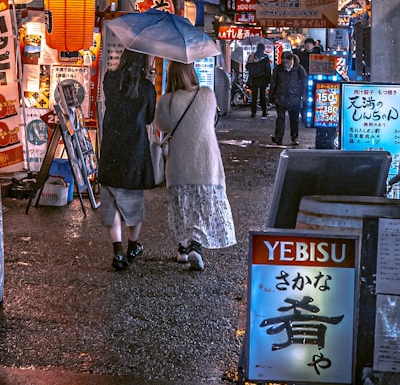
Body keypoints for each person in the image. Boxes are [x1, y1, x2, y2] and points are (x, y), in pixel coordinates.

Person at [154, 61, 236, 271]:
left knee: (183, 204)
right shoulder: (207, 95)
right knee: (201, 206)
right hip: (205, 161)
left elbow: (160, 125)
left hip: (180, 162)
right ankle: (195, 247)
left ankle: (182, 248)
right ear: (192, 72)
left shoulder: (167, 99)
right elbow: (211, 119)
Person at [97, 50, 158, 271]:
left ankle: (117, 251)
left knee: (111, 200)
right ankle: (133, 246)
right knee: (133, 201)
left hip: (112, 148)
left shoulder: (110, 80)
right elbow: (149, 118)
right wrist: (148, 82)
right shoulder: (146, 87)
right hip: (135, 151)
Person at [270, 51, 308, 146]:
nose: (286, 65)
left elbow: (304, 83)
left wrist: (303, 96)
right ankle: (279, 138)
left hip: (294, 98)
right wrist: (271, 97)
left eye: (287, 62)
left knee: (294, 119)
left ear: (292, 60)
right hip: (280, 97)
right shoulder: (278, 69)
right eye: (284, 62)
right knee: (280, 119)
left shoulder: (299, 69)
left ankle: (294, 137)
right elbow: (273, 83)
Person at [245, 43, 272, 118]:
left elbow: (248, 68)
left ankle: (253, 112)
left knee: (254, 96)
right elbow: (268, 70)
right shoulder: (265, 57)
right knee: (262, 96)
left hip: (254, 79)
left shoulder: (253, 56)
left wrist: (251, 62)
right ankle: (264, 111)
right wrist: (268, 80)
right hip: (263, 79)